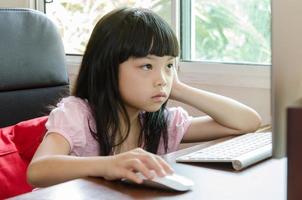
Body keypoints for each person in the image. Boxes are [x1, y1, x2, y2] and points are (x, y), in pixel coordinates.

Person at [27, 7, 261, 187]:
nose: (162, 78)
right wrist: (109, 165)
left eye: (169, 66)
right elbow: (37, 171)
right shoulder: (77, 114)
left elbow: (247, 122)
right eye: (147, 66)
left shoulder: (160, 122)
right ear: (108, 68)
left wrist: (178, 89)